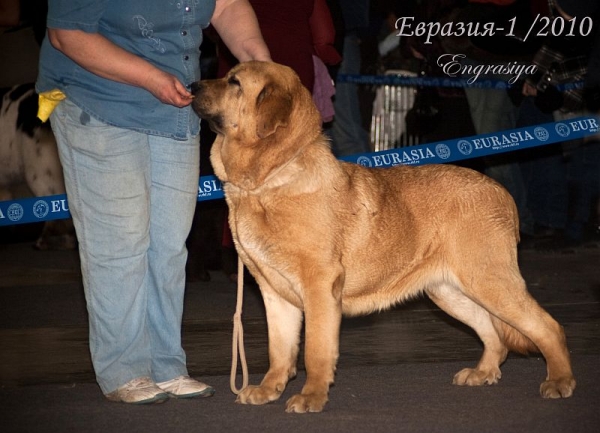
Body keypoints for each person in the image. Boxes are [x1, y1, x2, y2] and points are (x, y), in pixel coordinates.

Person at [36, 0, 270, 404]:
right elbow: (66, 33)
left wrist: (262, 67)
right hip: (99, 100)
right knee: (120, 242)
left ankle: (166, 364)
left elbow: (228, 5)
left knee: (168, 243)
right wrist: (151, 78)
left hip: (174, 106)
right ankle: (123, 369)